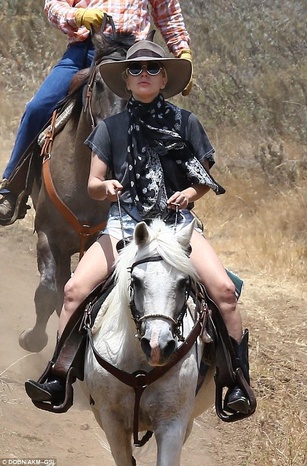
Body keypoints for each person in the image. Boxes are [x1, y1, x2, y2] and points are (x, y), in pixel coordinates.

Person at [25, 40, 254, 416]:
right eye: (135, 70)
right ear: (126, 82)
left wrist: (187, 193)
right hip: (124, 226)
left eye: (152, 69)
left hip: (178, 227)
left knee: (225, 292)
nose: (143, 75)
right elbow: (93, 184)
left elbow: (203, 180)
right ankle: (59, 374)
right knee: (73, 291)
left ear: (164, 78)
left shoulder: (187, 124)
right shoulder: (111, 129)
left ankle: (235, 383)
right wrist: (106, 188)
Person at [0, 0, 192, 224]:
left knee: (162, 120)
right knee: (38, 108)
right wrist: (79, 16)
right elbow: (53, 6)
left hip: (136, 57)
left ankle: (176, 203)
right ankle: (13, 187)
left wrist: (182, 51)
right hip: (85, 51)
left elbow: (167, 12)